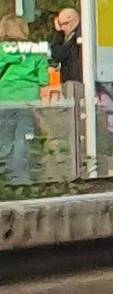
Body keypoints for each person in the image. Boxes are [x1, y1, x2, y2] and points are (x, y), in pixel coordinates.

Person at [0, 14, 49, 183]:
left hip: (4, 101)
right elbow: (44, 80)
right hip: (29, 102)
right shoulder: (36, 51)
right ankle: (21, 178)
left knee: (4, 141)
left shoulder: (1, 50)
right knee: (23, 140)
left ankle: (5, 178)